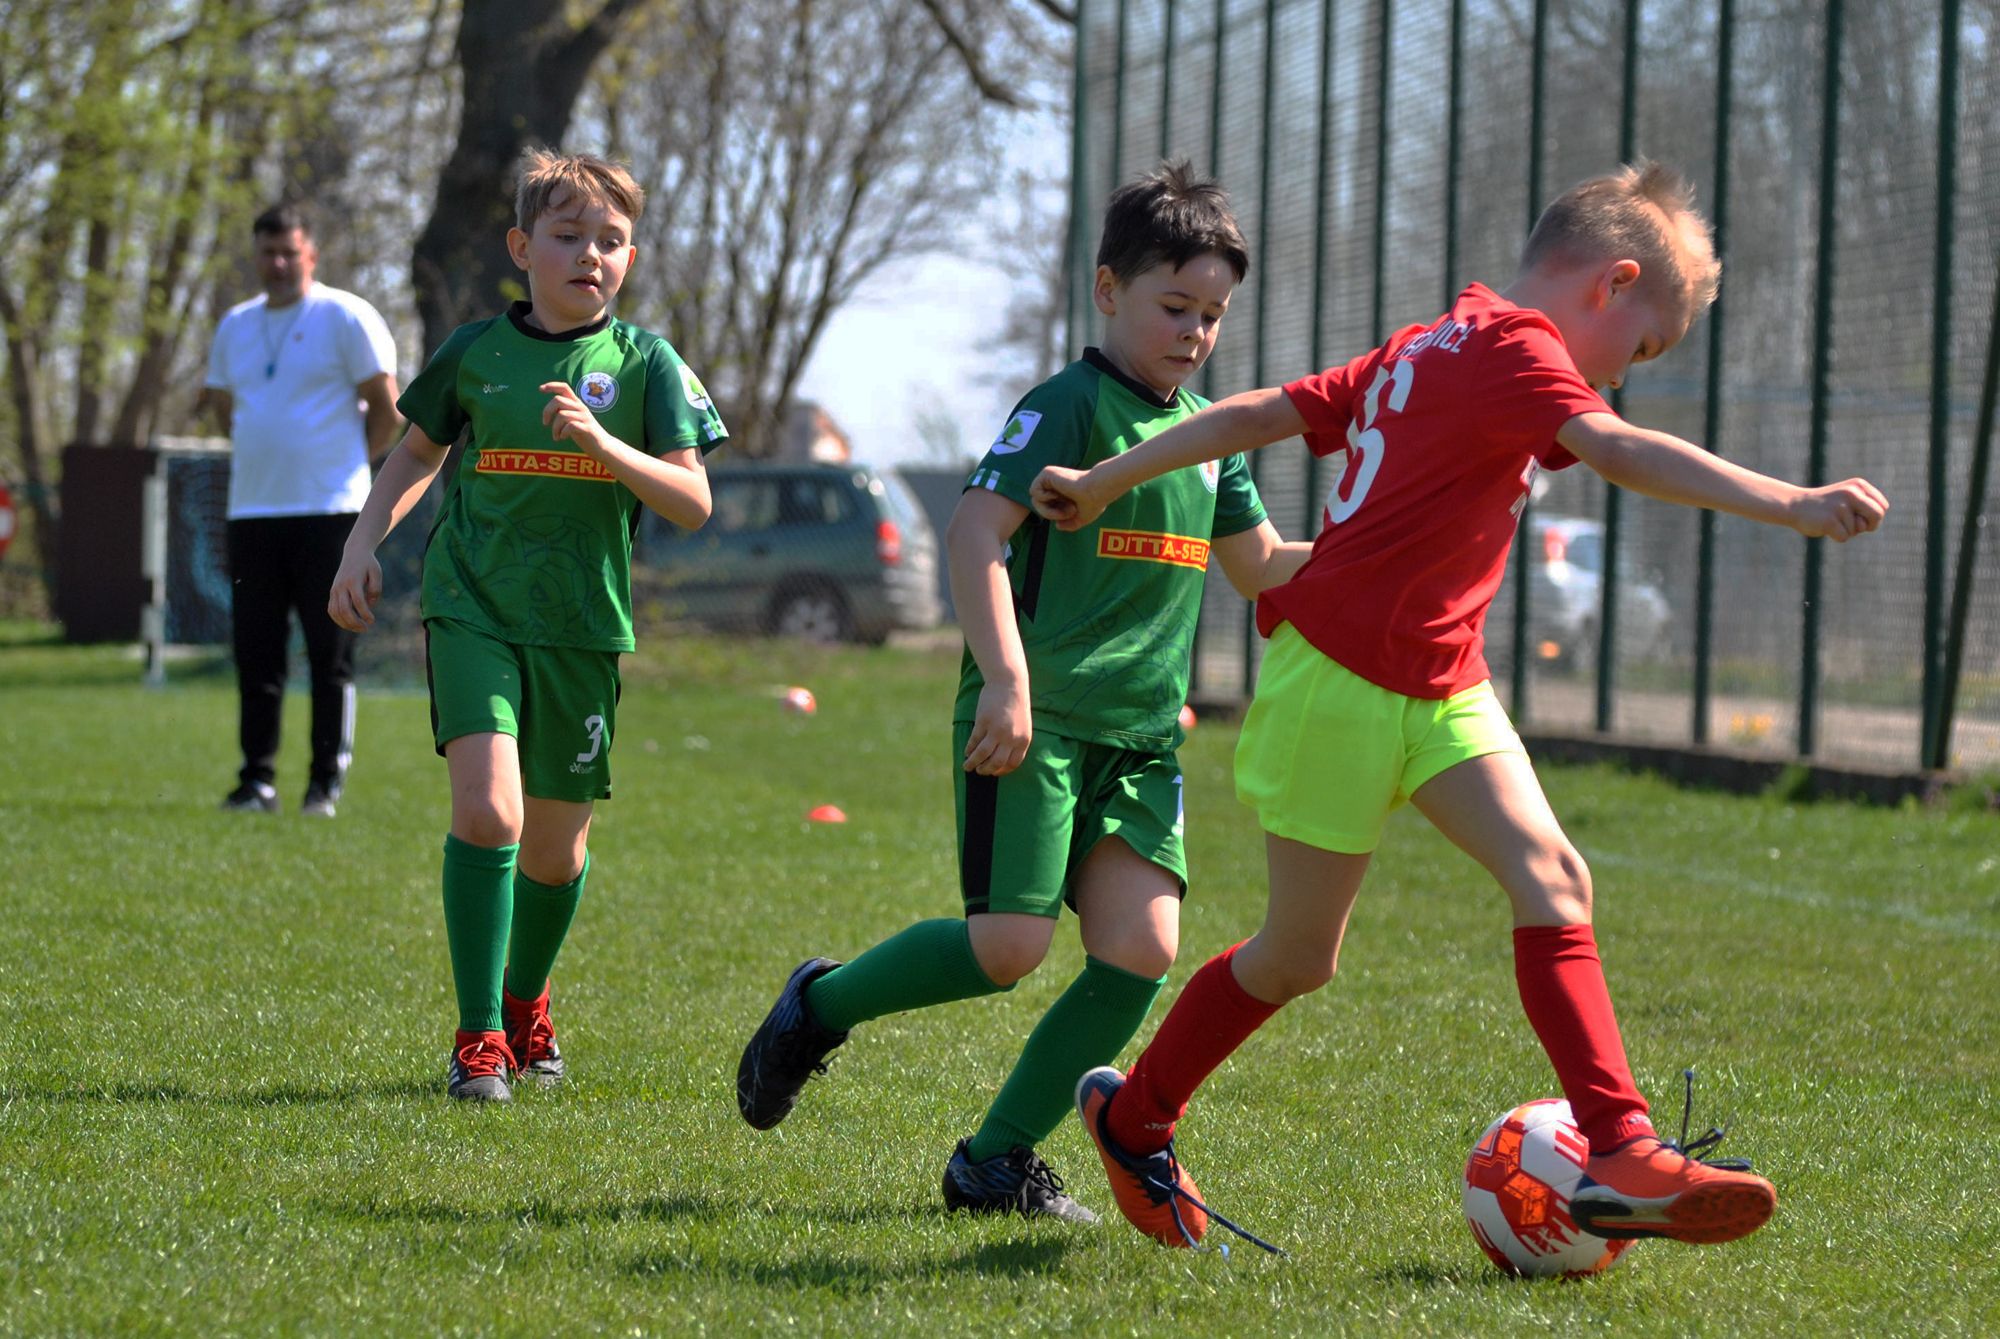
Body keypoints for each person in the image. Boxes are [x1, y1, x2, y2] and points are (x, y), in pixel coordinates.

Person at [1031, 161, 1889, 1250]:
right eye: (1641, 346)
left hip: (1442, 685)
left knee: (1552, 875)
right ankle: (1133, 1110)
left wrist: (1110, 475)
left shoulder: (1439, 343)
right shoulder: (1519, 351)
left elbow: (1258, 412)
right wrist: (1793, 502)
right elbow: (1616, 450)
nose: (1623, 377)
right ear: (1610, 283)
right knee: (1297, 956)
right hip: (1333, 681)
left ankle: (1618, 1146)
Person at [735, 160, 1312, 1221]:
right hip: (1033, 724)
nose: (1193, 332)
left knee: (1139, 954)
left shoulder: (1208, 443)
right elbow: (971, 531)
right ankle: (818, 1006)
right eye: (1172, 306)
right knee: (1007, 949)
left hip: (1138, 743)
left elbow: (1261, 567)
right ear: (1107, 292)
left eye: (1213, 315)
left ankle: (991, 1161)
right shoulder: (1068, 406)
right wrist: (1005, 680)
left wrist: (1382, 559)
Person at [327, 149, 725, 1102]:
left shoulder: (647, 365)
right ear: (522, 248)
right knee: (489, 812)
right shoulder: (475, 351)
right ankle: (477, 1041)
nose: (591, 253)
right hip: (473, 611)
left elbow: (693, 500)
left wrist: (605, 443)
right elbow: (414, 453)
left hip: (584, 628)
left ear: (630, 257)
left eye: (612, 240)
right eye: (568, 235)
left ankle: (525, 999)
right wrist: (360, 545)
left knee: (555, 853)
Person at [201, 203, 400, 818]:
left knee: (328, 654)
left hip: (330, 512)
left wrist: (348, 470)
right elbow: (216, 403)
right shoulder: (235, 324)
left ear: (311, 254)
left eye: (290, 251)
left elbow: (388, 410)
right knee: (257, 655)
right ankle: (255, 781)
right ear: (255, 256)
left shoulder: (345, 316)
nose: (279, 263)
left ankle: (323, 786)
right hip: (254, 513)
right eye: (268, 252)